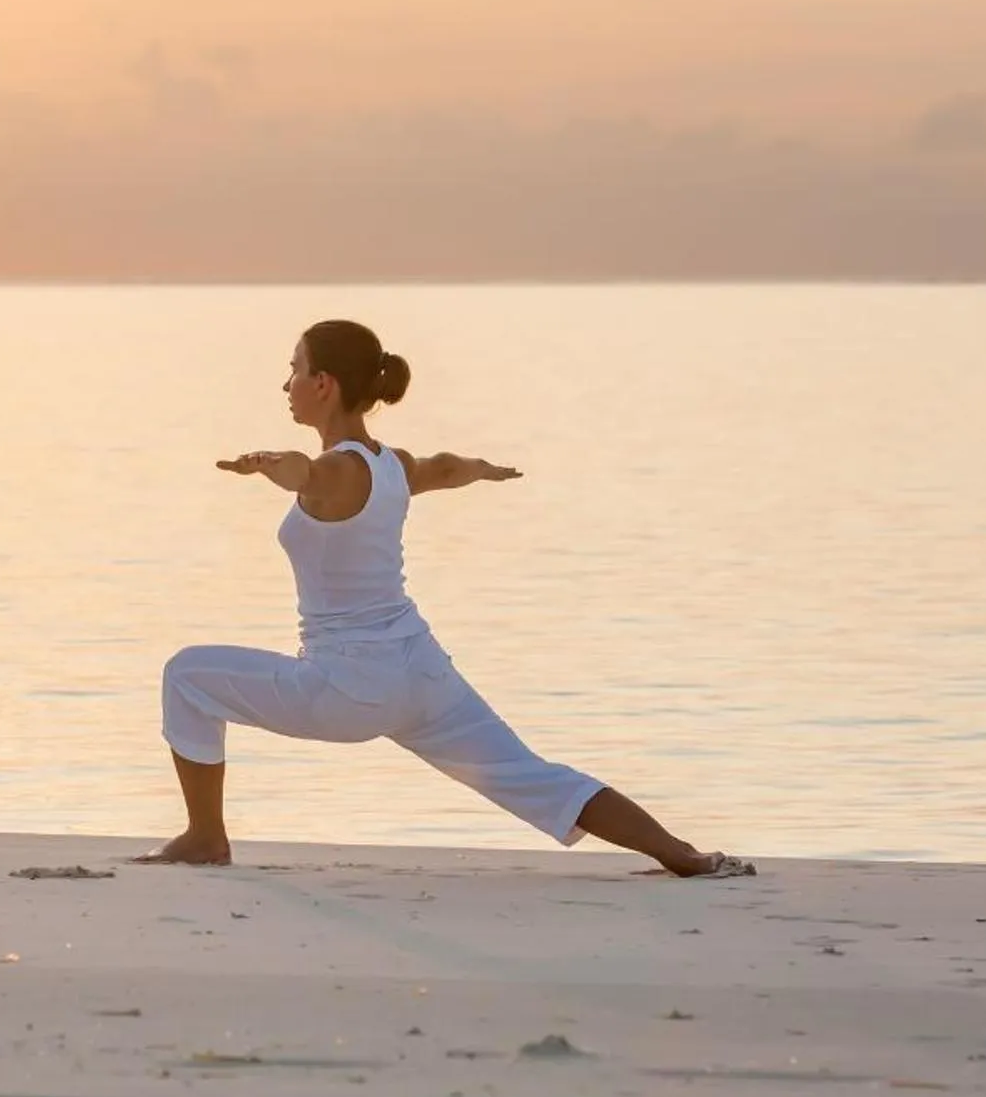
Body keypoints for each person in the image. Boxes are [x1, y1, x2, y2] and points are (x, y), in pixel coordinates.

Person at [141, 318, 750, 878]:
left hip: (349, 686)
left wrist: (271, 464)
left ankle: (204, 837)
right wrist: (484, 470)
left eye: (294, 369)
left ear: (323, 383)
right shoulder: (391, 466)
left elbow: (305, 473)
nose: (287, 383)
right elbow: (446, 466)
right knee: (530, 775)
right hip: (422, 672)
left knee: (187, 675)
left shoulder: (333, 472)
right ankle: (684, 855)